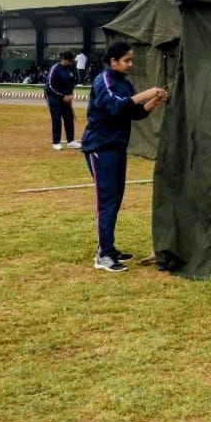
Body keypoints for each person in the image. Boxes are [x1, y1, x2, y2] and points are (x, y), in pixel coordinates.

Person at [81, 41, 168, 272]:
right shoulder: (104, 81)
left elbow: (135, 113)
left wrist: (153, 103)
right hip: (100, 148)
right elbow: (116, 107)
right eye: (127, 60)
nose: (130, 64)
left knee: (116, 199)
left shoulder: (123, 82)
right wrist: (146, 93)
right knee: (107, 201)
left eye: (131, 60)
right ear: (113, 61)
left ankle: (110, 248)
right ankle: (103, 255)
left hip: (117, 147)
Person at [45, 51, 80, 150]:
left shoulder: (70, 69)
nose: (70, 63)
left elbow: (71, 84)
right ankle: (56, 142)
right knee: (56, 119)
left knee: (69, 118)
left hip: (66, 98)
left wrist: (70, 96)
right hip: (54, 97)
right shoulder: (55, 69)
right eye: (69, 61)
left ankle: (71, 141)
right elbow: (50, 86)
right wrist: (62, 95)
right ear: (64, 59)